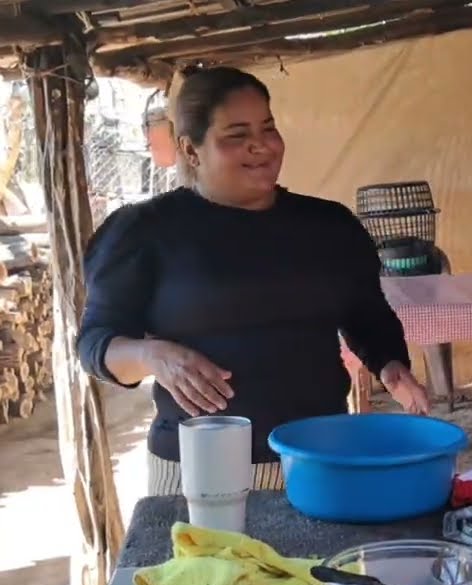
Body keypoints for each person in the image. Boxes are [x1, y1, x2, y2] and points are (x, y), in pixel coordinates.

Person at [77, 66, 431, 496]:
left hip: (318, 456)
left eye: (268, 127)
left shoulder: (328, 225)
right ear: (191, 150)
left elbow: (367, 314)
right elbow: (96, 343)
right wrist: (151, 355)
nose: (260, 145)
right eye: (236, 134)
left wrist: (390, 365)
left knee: (318, 565)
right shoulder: (145, 231)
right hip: (200, 470)